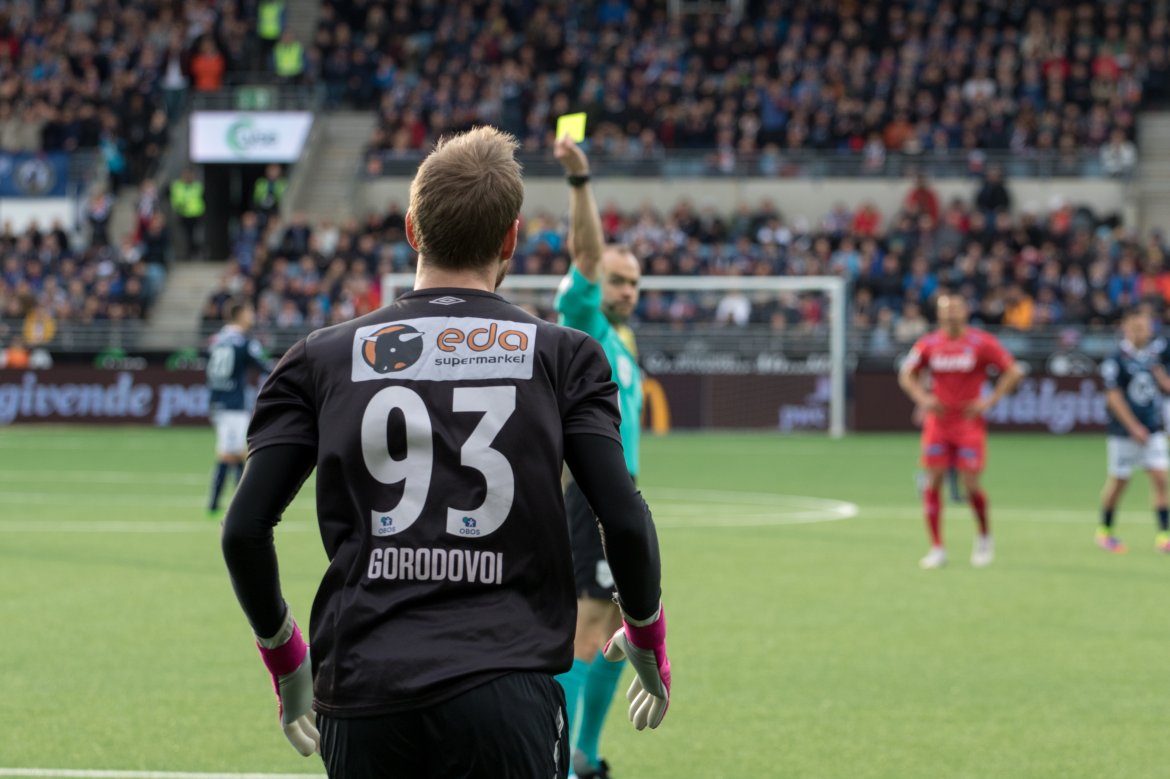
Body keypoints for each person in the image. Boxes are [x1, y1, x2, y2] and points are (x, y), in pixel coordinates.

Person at [221, 127, 671, 779]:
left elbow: (243, 530)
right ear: (511, 239)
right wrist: (647, 630)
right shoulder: (565, 355)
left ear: (412, 229)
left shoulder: (320, 356)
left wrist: (287, 655)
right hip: (506, 688)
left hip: (363, 690)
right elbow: (625, 518)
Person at [552, 134, 644, 779]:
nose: (627, 289)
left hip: (618, 495)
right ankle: (553, 755)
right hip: (589, 494)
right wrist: (580, 182)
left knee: (618, 626)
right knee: (588, 625)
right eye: (618, 279)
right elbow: (585, 253)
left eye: (635, 282)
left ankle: (582, 753)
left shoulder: (624, 338)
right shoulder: (582, 317)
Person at [898, 292, 1022, 569]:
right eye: (946, 309)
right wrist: (923, 399)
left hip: (967, 424)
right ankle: (937, 547)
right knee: (933, 482)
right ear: (939, 314)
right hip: (938, 424)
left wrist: (989, 401)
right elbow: (906, 375)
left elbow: (1013, 371)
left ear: (965, 312)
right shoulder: (928, 344)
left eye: (956, 308)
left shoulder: (981, 342)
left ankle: (984, 537)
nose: (952, 313)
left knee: (970, 485)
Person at [1097, 307, 1170, 552]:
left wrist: (1162, 381)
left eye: (1146, 327)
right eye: (1138, 327)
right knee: (1119, 482)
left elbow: (1163, 388)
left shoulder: (1153, 358)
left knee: (1160, 478)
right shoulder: (1115, 359)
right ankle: (1105, 531)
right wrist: (1133, 427)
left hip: (1153, 430)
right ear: (1126, 328)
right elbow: (1114, 398)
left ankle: (1164, 536)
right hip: (1124, 433)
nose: (1143, 332)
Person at [206, 300, 272, 517]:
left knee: (234, 452)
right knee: (233, 453)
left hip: (217, 401)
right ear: (240, 314)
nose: (252, 316)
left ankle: (221, 503)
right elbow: (264, 365)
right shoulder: (243, 341)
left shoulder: (217, 339)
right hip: (234, 404)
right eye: (249, 311)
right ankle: (235, 504)